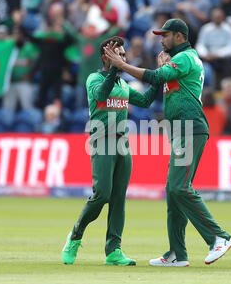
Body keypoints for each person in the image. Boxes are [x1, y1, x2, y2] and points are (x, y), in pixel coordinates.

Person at [104, 18, 231, 267]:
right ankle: (177, 254)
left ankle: (218, 237)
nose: (161, 40)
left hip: (190, 127)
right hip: (180, 129)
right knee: (174, 191)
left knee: (179, 187)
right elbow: (163, 79)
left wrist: (121, 65)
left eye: (165, 35)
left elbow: (155, 77)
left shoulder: (185, 58)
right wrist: (161, 70)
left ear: (179, 36)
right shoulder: (181, 60)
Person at [61, 36, 160, 266]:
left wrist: (159, 75)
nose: (123, 59)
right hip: (101, 140)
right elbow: (101, 96)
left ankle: (113, 250)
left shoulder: (124, 85)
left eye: (124, 56)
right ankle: (75, 235)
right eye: (118, 55)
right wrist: (115, 71)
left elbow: (145, 101)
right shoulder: (94, 79)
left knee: (118, 199)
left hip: (122, 143)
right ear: (106, 57)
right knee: (102, 194)